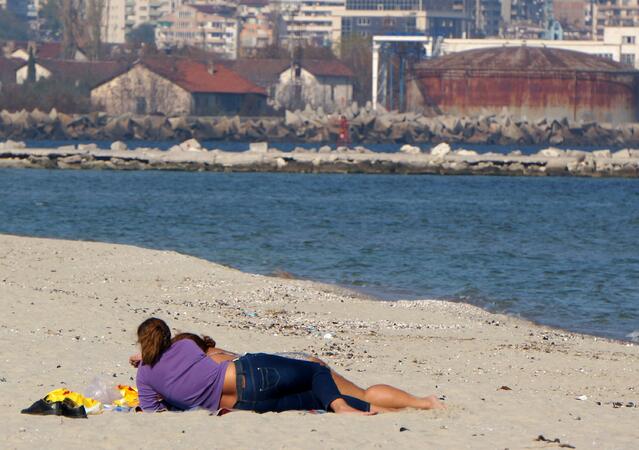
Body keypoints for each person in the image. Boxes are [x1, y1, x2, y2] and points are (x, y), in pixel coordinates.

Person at [133, 317, 443, 415]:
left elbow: (154, 411)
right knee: (334, 380)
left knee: (332, 399)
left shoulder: (146, 376)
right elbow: (206, 353)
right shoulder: (188, 346)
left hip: (246, 404)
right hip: (260, 372)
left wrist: (143, 364)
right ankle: (422, 403)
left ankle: (390, 412)